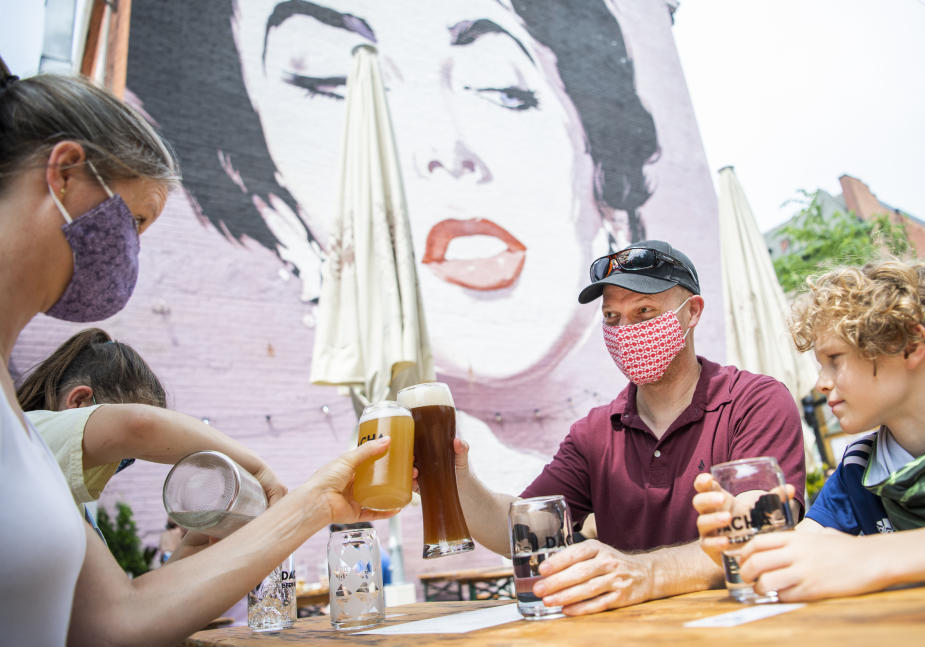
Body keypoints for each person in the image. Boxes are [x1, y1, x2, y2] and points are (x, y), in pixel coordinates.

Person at [125, 0, 665, 492]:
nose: (446, 151)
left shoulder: (697, 413)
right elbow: (525, 528)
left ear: (606, 179)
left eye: (501, 87)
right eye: (324, 79)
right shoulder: (576, 447)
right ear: (272, 206)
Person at [0, 68, 398, 646]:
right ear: (63, 174)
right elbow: (133, 424)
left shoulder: (17, 413)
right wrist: (261, 472)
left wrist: (315, 506)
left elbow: (115, 620)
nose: (132, 254)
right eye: (133, 221)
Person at [452, 240, 806, 616]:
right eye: (611, 318)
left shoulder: (754, 401)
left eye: (644, 311)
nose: (626, 331)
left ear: (693, 313)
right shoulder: (593, 433)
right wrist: (456, 477)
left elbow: (759, 536)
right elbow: (523, 530)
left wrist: (646, 573)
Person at [694, 260, 925, 602]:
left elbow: (849, 559)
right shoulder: (858, 469)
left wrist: (869, 557)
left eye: (834, 358)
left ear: (909, 345)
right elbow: (801, 553)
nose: (820, 383)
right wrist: (750, 545)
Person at [17, 327, 286, 513]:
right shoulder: (31, 435)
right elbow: (139, 425)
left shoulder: (64, 494)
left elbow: (122, 597)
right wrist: (259, 470)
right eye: (126, 452)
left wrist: (193, 544)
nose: (118, 464)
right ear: (79, 403)